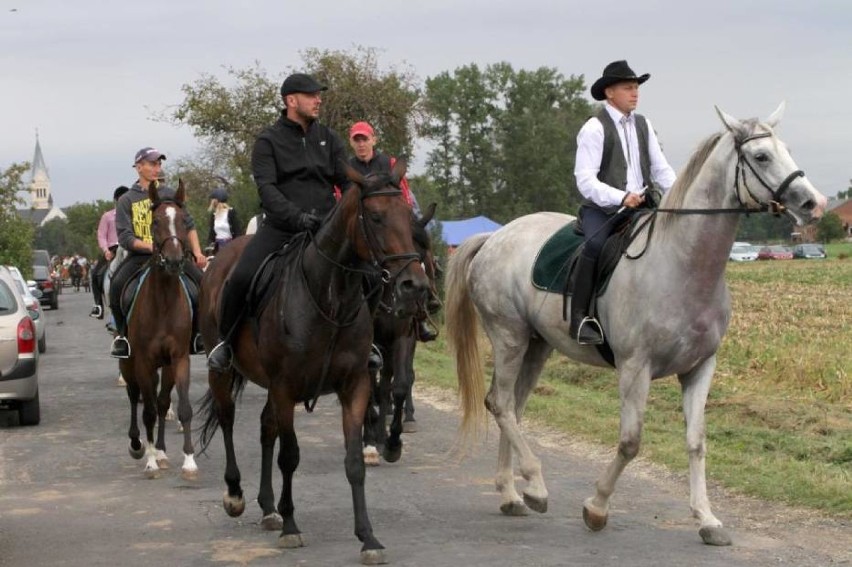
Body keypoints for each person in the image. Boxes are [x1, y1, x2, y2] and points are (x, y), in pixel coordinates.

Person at [206, 72, 378, 372]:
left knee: (373, 273)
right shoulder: (267, 141)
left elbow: (348, 181)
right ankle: (226, 343)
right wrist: (297, 217)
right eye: (312, 95)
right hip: (281, 228)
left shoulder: (329, 138)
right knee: (241, 277)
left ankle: (368, 342)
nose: (318, 100)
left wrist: (344, 214)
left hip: (328, 229)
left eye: (318, 95)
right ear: (291, 100)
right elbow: (267, 190)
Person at [572, 60, 676, 345]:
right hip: (605, 209)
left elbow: (660, 169)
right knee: (594, 246)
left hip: (642, 205)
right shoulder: (594, 128)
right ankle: (582, 318)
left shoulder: (643, 124)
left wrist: (680, 195)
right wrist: (620, 196)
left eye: (636, 87)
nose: (635, 93)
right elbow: (585, 180)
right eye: (628, 88)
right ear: (609, 93)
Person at [108, 147, 208, 358]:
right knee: (116, 284)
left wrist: (197, 252)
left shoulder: (169, 194)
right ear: (139, 167)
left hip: (173, 254)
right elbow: (125, 237)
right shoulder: (127, 200)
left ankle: (198, 334)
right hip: (141, 257)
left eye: (159, 164)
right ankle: (122, 337)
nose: (157, 168)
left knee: (201, 282)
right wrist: (150, 247)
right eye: (152, 164)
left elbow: (188, 224)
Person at [348, 120, 439, 342]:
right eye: (356, 140)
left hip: (394, 222)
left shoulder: (388, 163)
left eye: (365, 139)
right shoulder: (349, 169)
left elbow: (406, 197)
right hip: (366, 228)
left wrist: (413, 223)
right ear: (351, 143)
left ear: (373, 140)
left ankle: (423, 311)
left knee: (421, 252)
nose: (361, 145)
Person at [90, 185, 129, 319]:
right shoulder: (108, 216)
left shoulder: (135, 216)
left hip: (130, 247)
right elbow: (101, 235)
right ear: (117, 201)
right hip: (113, 249)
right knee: (95, 274)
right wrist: (106, 250)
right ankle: (98, 306)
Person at [206, 187, 243, 254]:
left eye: (213, 199)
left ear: (216, 200)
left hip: (231, 246)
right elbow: (211, 235)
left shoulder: (231, 213)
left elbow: (238, 231)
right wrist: (209, 246)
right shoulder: (214, 215)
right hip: (218, 247)